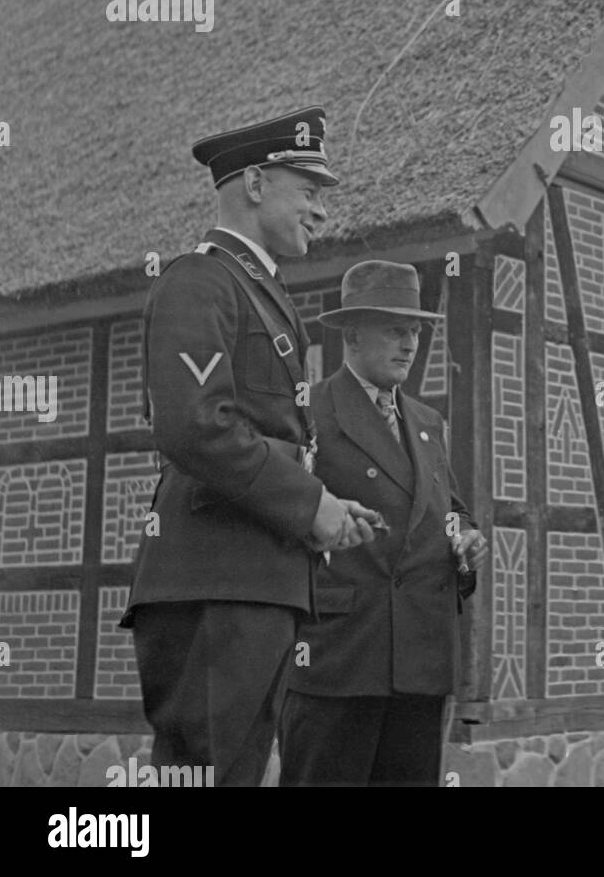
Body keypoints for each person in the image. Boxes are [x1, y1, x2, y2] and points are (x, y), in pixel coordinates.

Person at [120, 106, 379, 786]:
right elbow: (193, 426)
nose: (321, 212)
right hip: (214, 584)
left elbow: (265, 434)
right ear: (256, 184)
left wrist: (323, 505)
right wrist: (308, 503)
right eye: (309, 191)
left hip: (253, 582)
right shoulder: (198, 280)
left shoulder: (262, 292)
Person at [278, 260, 488, 786]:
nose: (410, 343)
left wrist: (463, 538)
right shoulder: (311, 413)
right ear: (351, 334)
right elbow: (280, 512)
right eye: (395, 329)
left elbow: (447, 508)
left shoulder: (425, 422)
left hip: (419, 657)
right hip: (339, 657)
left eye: (415, 330)